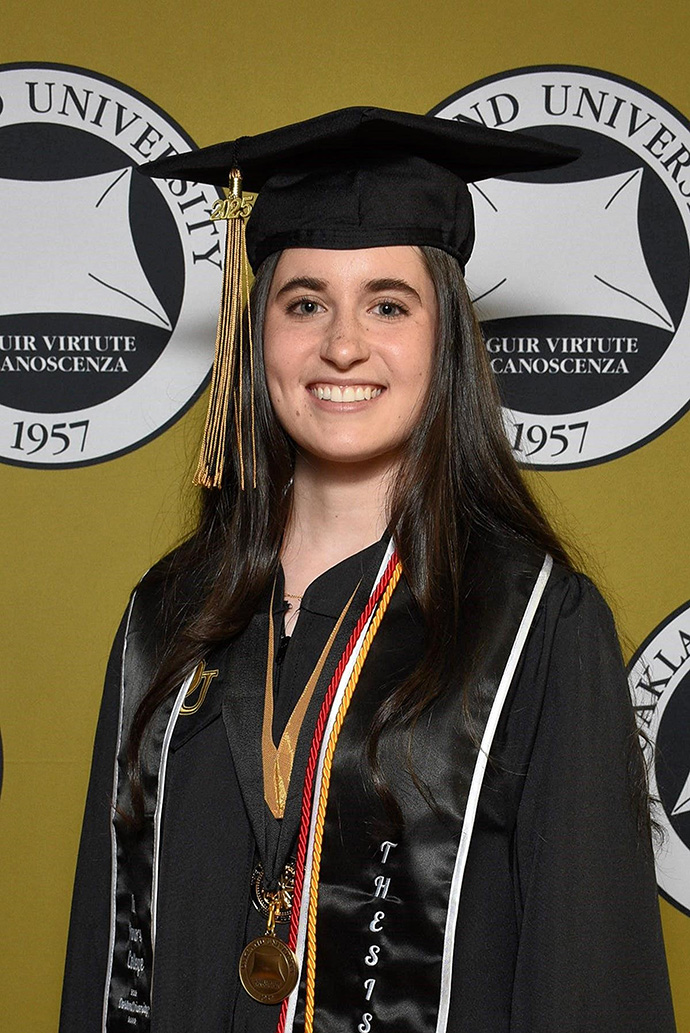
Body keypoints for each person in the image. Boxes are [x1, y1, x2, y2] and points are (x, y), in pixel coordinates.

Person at [60, 107, 676, 1033]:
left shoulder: (531, 623)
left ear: (444, 338)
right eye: (304, 303)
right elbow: (102, 957)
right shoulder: (169, 612)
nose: (342, 344)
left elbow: (589, 982)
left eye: (388, 305)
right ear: (257, 334)